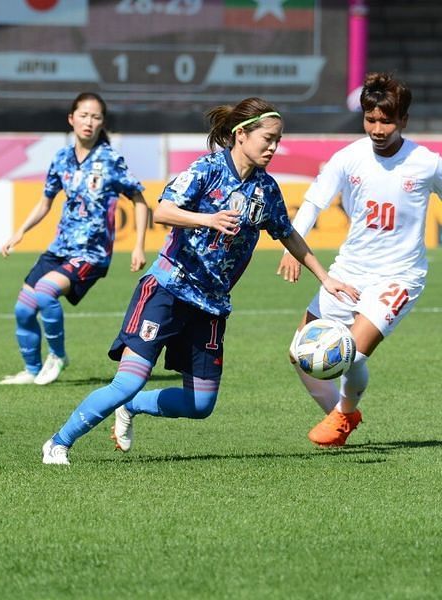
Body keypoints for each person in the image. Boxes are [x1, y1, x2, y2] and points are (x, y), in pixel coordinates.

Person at [41, 97, 360, 465]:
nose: (273, 147)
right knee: (129, 379)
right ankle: (58, 443)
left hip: (211, 305)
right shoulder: (207, 170)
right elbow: (162, 210)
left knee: (200, 404)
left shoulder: (266, 190)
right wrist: (207, 219)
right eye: (267, 138)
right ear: (241, 135)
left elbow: (287, 233)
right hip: (166, 289)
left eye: (278, 139)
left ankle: (131, 407)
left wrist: (325, 277)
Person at [277, 72, 442, 447]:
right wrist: (293, 246)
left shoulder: (425, 162)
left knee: (351, 355)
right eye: (370, 119)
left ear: (403, 120)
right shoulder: (348, 158)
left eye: (386, 120)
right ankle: (343, 414)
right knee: (297, 353)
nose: (377, 128)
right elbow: (313, 203)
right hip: (350, 271)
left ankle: (341, 414)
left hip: (398, 277)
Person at [0, 92, 149, 386]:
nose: (89, 122)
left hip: (91, 254)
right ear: (71, 119)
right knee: (23, 309)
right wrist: (20, 232)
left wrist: (139, 245)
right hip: (60, 249)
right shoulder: (61, 158)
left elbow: (140, 201)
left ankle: (57, 356)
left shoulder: (110, 159)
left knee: (45, 291)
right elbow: (45, 203)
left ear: (101, 122)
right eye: (83, 115)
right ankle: (31, 370)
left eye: (95, 117)